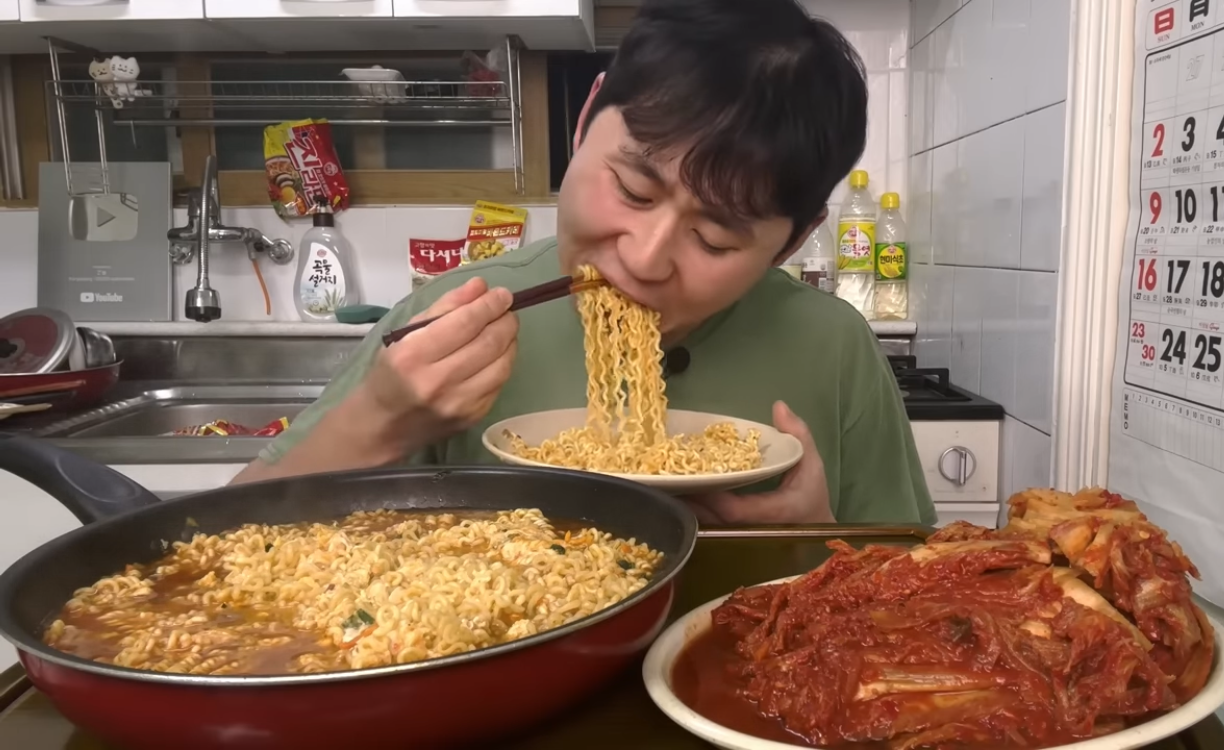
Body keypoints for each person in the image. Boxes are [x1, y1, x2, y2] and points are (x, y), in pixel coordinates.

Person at [231, 0, 936, 526]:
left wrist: (817, 539)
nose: (645, 257)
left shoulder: (833, 346)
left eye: (715, 240)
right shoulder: (445, 319)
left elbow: (911, 583)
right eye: (632, 189)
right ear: (586, 116)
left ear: (791, 242)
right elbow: (219, 544)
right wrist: (380, 418)